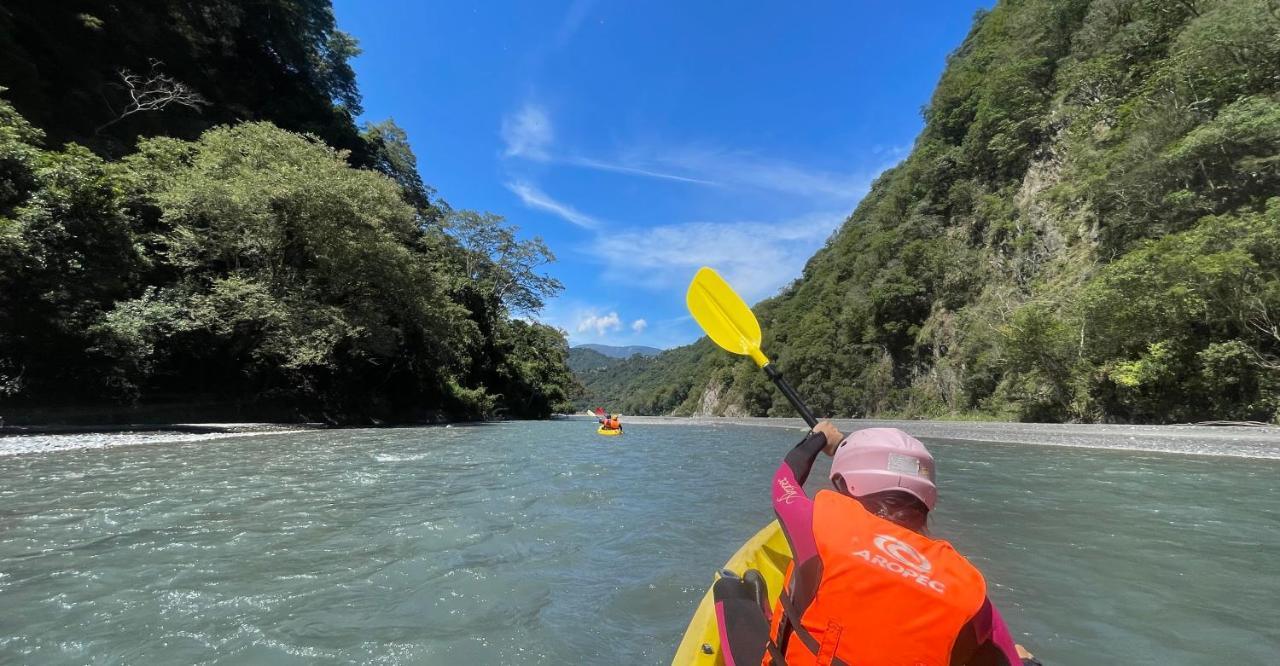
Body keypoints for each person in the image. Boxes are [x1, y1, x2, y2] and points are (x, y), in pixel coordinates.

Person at [715, 421, 1038, 666]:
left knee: (731, 589)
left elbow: (783, 482)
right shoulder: (969, 589)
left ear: (845, 482)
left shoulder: (822, 526)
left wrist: (820, 438)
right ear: (926, 500)